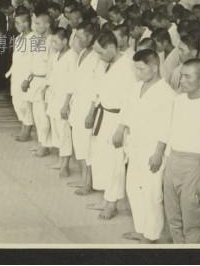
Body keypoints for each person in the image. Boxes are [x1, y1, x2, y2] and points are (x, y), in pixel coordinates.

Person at [113, 49, 175, 243]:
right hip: (135, 144)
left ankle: (152, 234)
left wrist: (158, 152)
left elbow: (166, 125)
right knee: (133, 188)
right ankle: (140, 229)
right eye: (136, 69)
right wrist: (120, 128)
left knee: (151, 192)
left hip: (152, 148)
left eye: (141, 69)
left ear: (154, 68)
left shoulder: (166, 92)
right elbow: (127, 109)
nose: (137, 73)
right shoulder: (137, 86)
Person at [163, 59, 200, 243]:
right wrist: (167, 165)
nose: (182, 81)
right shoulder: (178, 100)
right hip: (173, 162)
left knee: (193, 221)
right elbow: (170, 132)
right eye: (181, 76)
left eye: (188, 76)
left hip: (194, 166)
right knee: (173, 218)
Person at [86, 31, 138, 220]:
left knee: (115, 162)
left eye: (100, 52)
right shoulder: (107, 64)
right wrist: (92, 111)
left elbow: (129, 101)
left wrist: (121, 128)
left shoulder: (127, 67)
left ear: (110, 47)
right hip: (104, 115)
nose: (99, 56)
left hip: (117, 119)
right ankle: (107, 198)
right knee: (103, 160)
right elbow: (100, 90)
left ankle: (112, 204)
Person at [68, 22, 101, 196]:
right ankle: (84, 179)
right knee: (79, 145)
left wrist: (91, 112)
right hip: (77, 103)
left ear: (90, 37)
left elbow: (98, 89)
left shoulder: (96, 57)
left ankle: (88, 183)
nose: (78, 40)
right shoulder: (82, 53)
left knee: (86, 147)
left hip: (87, 106)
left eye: (81, 37)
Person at [45, 27, 78, 177]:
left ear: (65, 41)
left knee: (64, 131)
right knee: (56, 129)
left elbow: (72, 83)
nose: (52, 44)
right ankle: (60, 160)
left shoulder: (72, 56)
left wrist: (66, 104)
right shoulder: (56, 54)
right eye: (52, 41)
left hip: (64, 99)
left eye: (55, 41)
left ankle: (65, 164)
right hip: (53, 96)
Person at [5, 7, 34, 142]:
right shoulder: (19, 38)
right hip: (16, 74)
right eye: (14, 23)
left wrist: (28, 79)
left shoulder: (34, 39)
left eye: (18, 23)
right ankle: (24, 126)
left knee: (25, 104)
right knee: (16, 101)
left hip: (25, 77)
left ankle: (26, 131)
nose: (15, 25)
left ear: (26, 23)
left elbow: (34, 62)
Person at [27, 11, 51, 156]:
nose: (35, 26)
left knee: (42, 116)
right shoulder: (36, 39)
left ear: (47, 25)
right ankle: (41, 142)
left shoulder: (50, 41)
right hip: (34, 79)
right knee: (36, 114)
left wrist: (47, 85)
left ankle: (45, 144)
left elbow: (51, 66)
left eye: (38, 23)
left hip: (43, 81)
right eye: (34, 23)